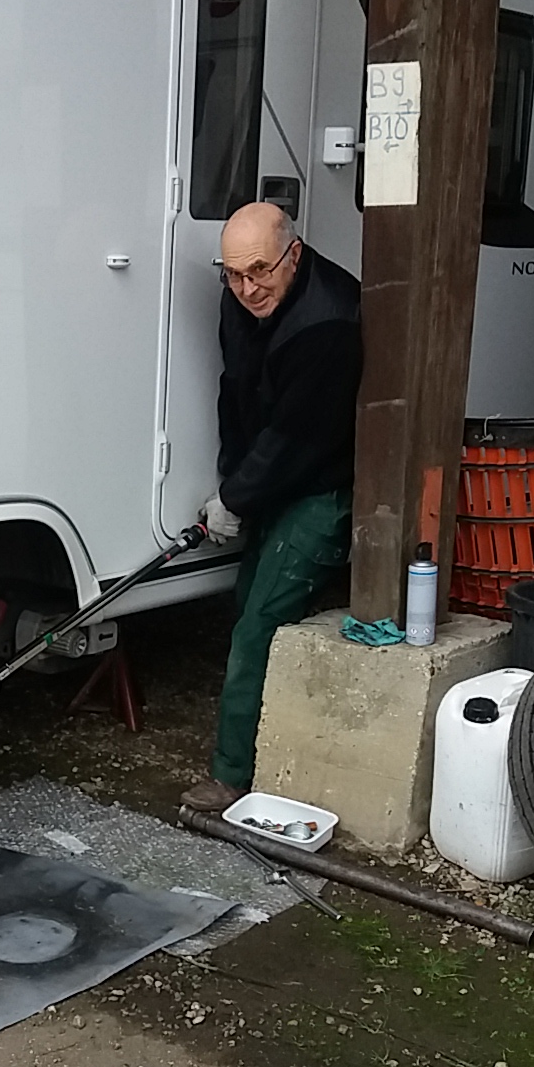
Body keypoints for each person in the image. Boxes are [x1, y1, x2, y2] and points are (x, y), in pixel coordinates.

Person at [181, 201, 363, 814]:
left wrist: (236, 497)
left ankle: (231, 775)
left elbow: (296, 438)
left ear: (294, 255)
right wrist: (232, 482)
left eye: (260, 271)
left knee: (258, 624)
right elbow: (235, 389)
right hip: (274, 479)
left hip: (321, 486)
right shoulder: (240, 298)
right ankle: (266, 741)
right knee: (246, 607)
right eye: (233, 274)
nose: (247, 288)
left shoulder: (329, 322)